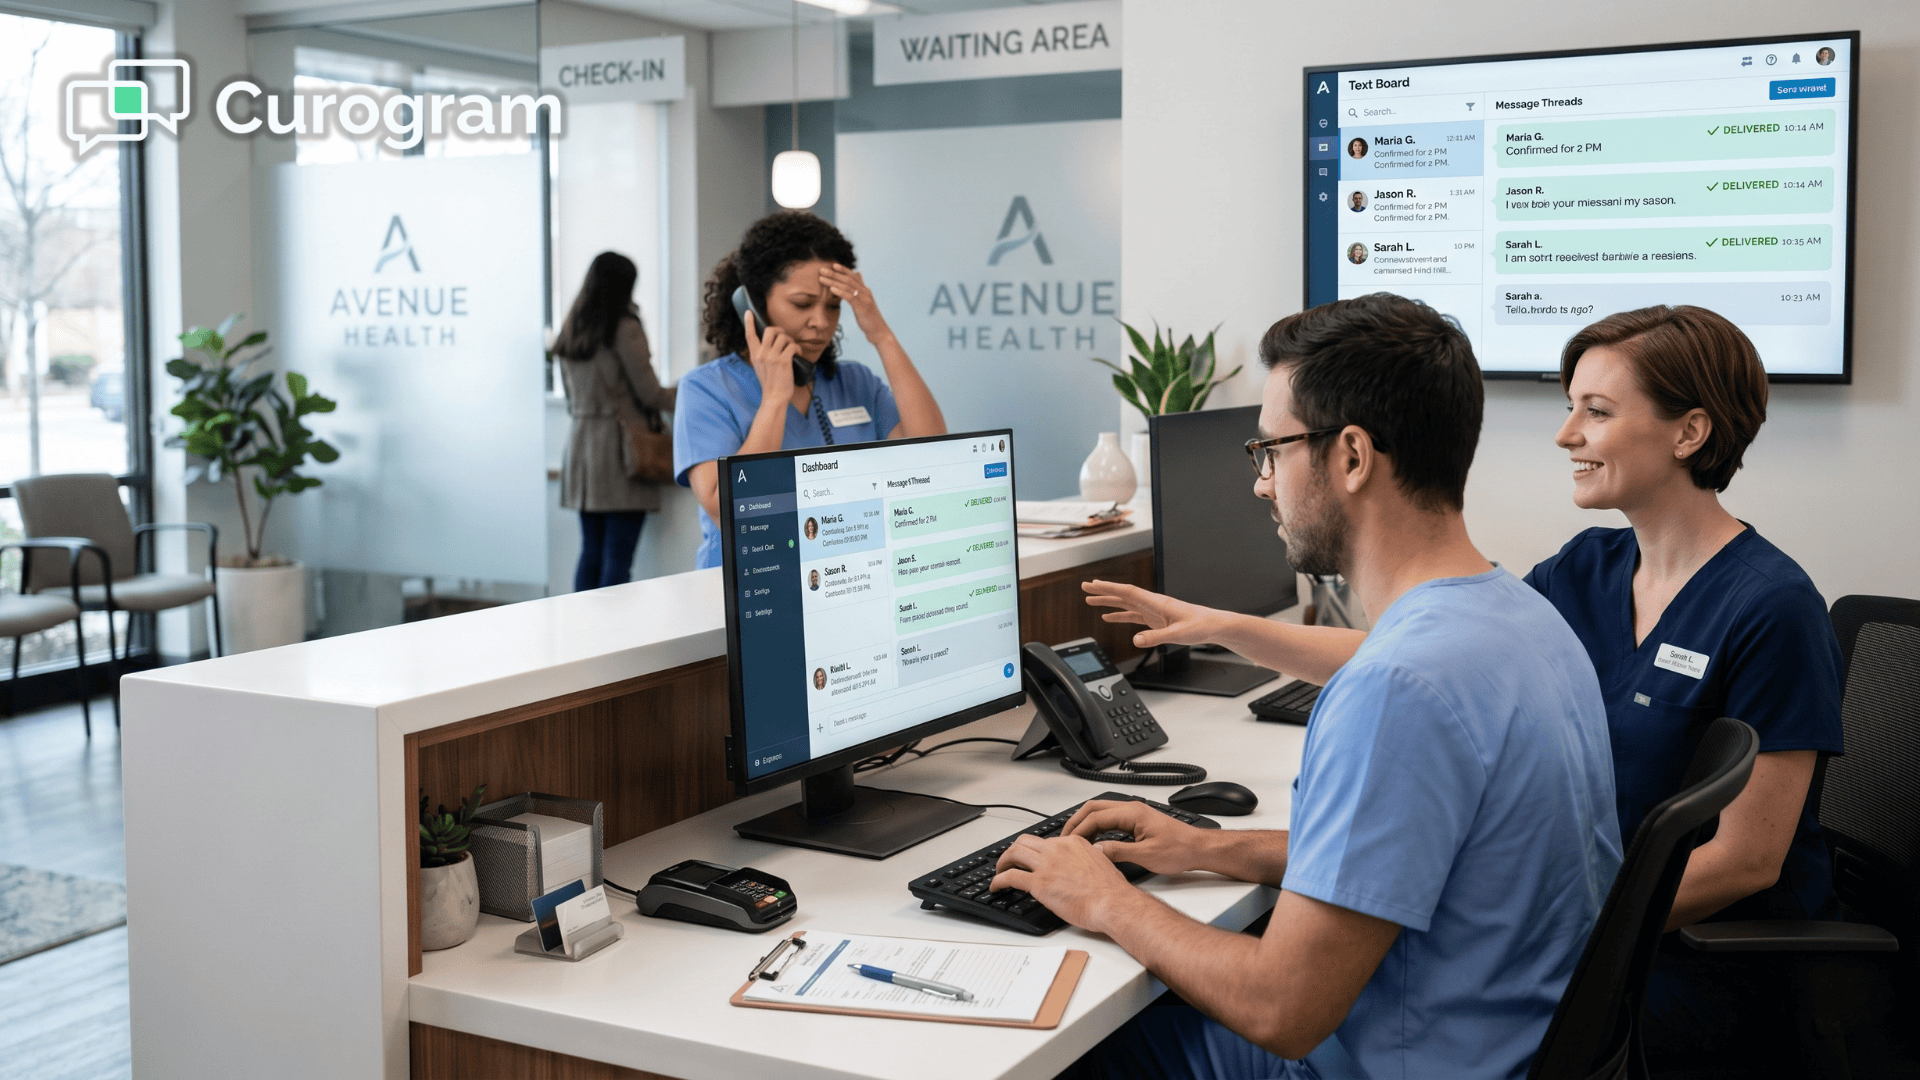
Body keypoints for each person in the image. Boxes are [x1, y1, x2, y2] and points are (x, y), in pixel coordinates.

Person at [1012, 293, 1621, 1079]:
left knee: (1072, 1048)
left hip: (1398, 1064)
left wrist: (1106, 899)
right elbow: (1426, 854)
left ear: (1353, 456)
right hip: (1511, 1043)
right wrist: (1208, 850)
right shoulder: (1525, 620)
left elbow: (1283, 1010)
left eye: (1271, 451)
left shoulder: (1394, 691)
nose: (1263, 484)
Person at [1525, 305, 1843, 1070]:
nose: (1566, 434)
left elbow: (1747, 862)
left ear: (1688, 432)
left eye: (1595, 412)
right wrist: (1224, 628)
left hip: (1698, 965)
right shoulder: (1586, 569)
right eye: (1570, 408)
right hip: (1601, 924)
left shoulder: (1772, 606)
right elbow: (1433, 652)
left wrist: (1557, 921)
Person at [674, 212, 947, 568]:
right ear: (754, 304)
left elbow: (934, 455)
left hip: (846, 580)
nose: (821, 322)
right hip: (752, 590)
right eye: (802, 304)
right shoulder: (706, 389)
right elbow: (727, 509)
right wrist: (774, 398)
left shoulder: (856, 382)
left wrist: (881, 335)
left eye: (833, 307)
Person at [553, 252, 676, 591]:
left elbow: (570, 399)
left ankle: (586, 638)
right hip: (620, 451)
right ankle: (613, 637)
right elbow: (650, 393)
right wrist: (690, 394)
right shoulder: (625, 327)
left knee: (591, 552)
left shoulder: (572, 327)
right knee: (617, 557)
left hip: (581, 450)